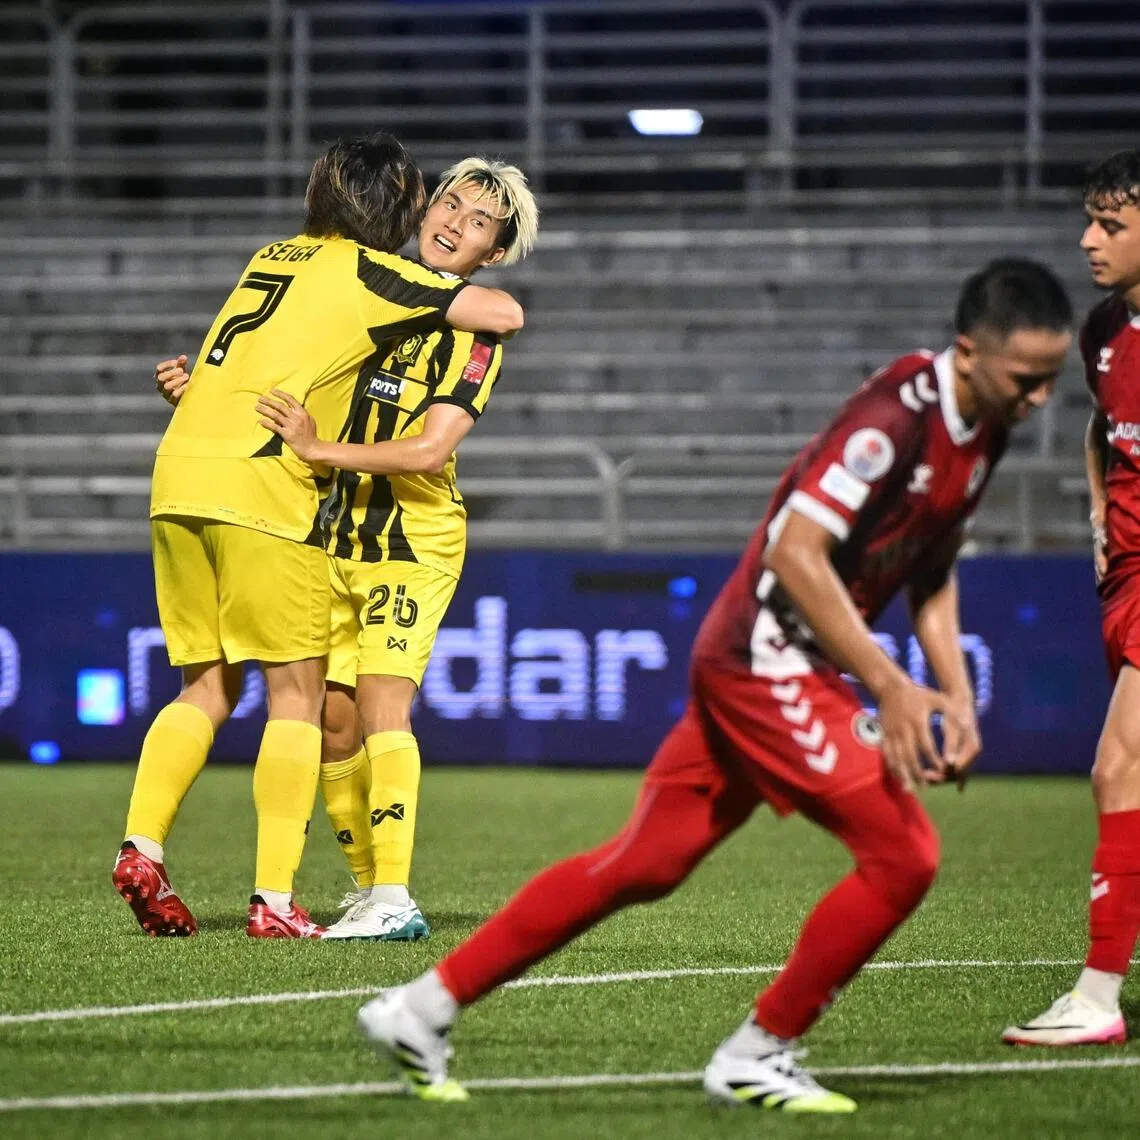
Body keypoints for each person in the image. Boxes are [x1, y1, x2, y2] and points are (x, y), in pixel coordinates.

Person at [355, 258, 1073, 1111]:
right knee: (904, 855)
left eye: (1051, 381)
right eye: (1025, 379)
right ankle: (760, 1051)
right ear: (968, 351)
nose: (1038, 401)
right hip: (765, 657)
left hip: (769, 661)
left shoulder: (984, 427)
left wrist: (953, 693)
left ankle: (420, 1008)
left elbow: (935, 571)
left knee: (645, 863)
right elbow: (794, 554)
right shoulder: (894, 418)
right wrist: (889, 683)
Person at [113, 132, 524, 940]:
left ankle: (387, 895)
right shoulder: (368, 286)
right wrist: (212, 394)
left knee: (374, 705)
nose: (451, 222)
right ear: (414, 207)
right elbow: (290, 375)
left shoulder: (448, 319)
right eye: (446, 202)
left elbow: (433, 443)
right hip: (317, 519)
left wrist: (309, 446)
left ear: (496, 249)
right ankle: (366, 890)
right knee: (326, 715)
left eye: (478, 222)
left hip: (407, 530)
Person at [1003, 150, 1140, 1047]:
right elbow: (1102, 422)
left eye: (1112, 226)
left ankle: (1095, 998)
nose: (1089, 240)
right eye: (1089, 221)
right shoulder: (1103, 331)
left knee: (1117, 768)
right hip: (1127, 573)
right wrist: (1098, 509)